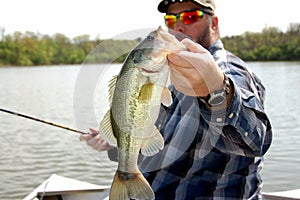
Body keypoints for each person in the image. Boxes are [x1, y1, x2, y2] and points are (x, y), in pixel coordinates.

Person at [80, 0, 273, 199]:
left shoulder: (228, 70)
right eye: (171, 19)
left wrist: (216, 90)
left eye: (191, 17)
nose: (178, 26)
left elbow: (255, 142)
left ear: (213, 24)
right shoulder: (169, 72)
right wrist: (115, 143)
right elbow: (154, 143)